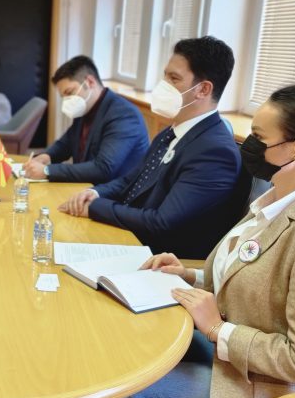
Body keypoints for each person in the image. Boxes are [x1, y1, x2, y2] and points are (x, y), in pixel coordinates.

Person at [138, 83, 295, 398]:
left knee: (134, 388)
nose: (248, 144)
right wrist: (190, 276)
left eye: (259, 137)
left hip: (270, 386)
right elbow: (256, 283)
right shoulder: (276, 198)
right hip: (228, 352)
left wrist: (218, 329)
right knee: (132, 344)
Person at [61, 36, 245, 259]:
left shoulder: (215, 152)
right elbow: (130, 181)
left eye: (174, 78)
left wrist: (94, 207)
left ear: (203, 89)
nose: (162, 85)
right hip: (130, 237)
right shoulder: (172, 131)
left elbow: (162, 222)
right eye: (165, 76)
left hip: (161, 260)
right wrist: (93, 193)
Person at [23, 55, 149, 183]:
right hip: (87, 187)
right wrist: (46, 156)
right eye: (63, 96)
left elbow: (103, 168)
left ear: (90, 82)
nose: (67, 100)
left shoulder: (124, 115)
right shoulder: (86, 107)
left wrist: (47, 171)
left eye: (69, 92)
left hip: (116, 192)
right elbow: (66, 143)